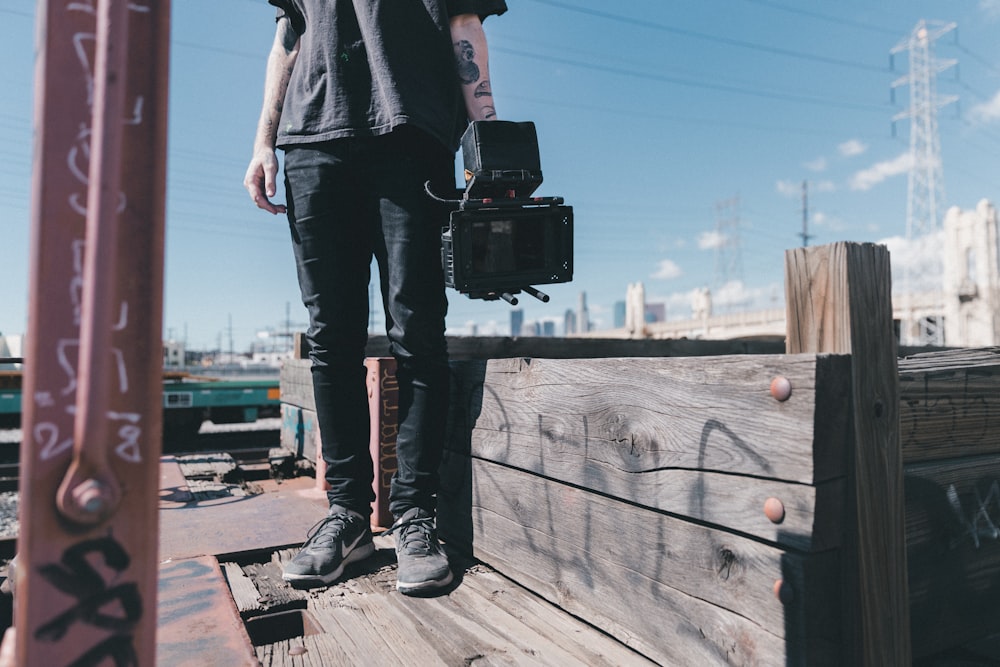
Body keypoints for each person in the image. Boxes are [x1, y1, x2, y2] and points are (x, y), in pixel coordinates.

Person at [244, 0, 506, 595]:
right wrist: (263, 141)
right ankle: (348, 517)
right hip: (312, 138)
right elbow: (289, 34)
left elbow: (465, 27)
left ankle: (415, 516)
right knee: (330, 338)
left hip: (412, 131)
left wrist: (488, 135)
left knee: (416, 330)